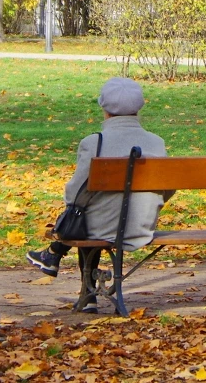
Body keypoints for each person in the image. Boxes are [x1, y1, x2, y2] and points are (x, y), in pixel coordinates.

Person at [25, 76, 169, 312]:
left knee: (84, 216)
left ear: (104, 107)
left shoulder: (94, 142)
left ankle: (87, 294)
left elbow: (74, 194)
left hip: (99, 228)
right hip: (141, 226)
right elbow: (167, 189)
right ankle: (62, 265)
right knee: (95, 214)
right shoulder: (156, 142)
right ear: (140, 106)